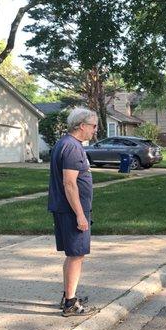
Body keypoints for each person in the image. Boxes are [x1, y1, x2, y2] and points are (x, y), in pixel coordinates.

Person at [48, 107, 98, 316]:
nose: (95, 130)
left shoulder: (65, 144)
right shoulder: (72, 147)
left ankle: (69, 294)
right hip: (71, 211)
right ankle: (70, 304)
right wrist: (80, 214)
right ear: (82, 126)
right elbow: (69, 184)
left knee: (72, 255)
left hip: (65, 209)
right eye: (93, 126)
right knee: (77, 255)